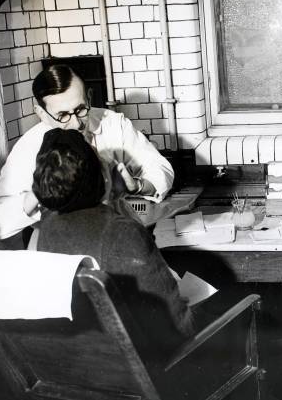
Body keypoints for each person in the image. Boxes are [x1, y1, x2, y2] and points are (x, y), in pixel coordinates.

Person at [32, 128, 192, 348]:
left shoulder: (46, 227)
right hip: (152, 371)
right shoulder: (123, 233)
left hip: (93, 366)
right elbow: (181, 325)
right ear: (101, 176)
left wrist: (113, 197)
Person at [0, 64, 174, 241]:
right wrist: (39, 194)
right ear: (41, 113)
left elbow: (162, 170)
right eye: (63, 115)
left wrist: (137, 186)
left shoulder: (113, 124)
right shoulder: (29, 147)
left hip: (118, 233)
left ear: (89, 97)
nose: (76, 123)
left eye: (81, 109)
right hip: (59, 246)